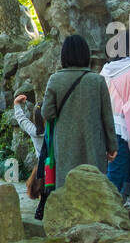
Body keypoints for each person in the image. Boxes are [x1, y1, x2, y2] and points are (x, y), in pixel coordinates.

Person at [41, 33, 116, 188]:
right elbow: (107, 117)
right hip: (93, 146)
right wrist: (112, 146)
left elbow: (47, 113)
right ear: (85, 54)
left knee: (67, 190)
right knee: (94, 189)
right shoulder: (98, 81)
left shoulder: (55, 80)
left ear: (64, 56)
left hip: (65, 146)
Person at [101, 52, 130, 202]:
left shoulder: (105, 70)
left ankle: (121, 201)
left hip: (108, 125)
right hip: (125, 126)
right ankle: (111, 208)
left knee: (124, 165)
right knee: (116, 175)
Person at [12, 93, 43, 159]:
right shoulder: (56, 128)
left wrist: (16, 103)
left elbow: (22, 120)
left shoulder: (34, 131)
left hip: (45, 166)